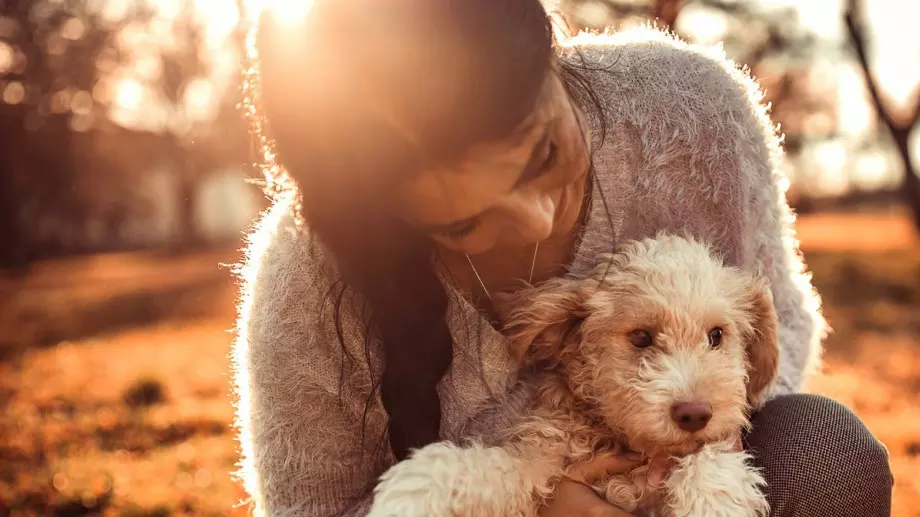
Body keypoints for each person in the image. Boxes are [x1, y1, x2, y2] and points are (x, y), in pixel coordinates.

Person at [231, 1, 893, 516]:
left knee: (823, 450)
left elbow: (781, 325)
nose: (538, 216)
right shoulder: (307, 286)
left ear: (553, 52)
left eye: (543, 153)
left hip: (703, 474)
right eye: (464, 220)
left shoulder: (691, 114)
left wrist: (686, 463)